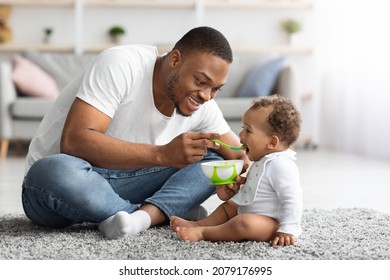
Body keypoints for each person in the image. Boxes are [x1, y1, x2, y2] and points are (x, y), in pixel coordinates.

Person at [21, 26, 248, 240]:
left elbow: (240, 155)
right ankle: (157, 213)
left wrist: (237, 181)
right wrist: (163, 155)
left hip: (128, 184)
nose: (207, 96)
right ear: (175, 59)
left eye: (216, 89)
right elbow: (74, 141)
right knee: (53, 170)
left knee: (214, 159)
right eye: (201, 81)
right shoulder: (122, 64)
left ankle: (137, 218)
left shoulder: (202, 105)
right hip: (64, 188)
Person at [170, 95, 302, 246]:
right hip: (251, 214)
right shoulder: (262, 160)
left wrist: (287, 229)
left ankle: (204, 233)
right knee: (229, 207)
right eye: (242, 129)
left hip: (271, 224)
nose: (240, 135)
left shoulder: (281, 164)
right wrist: (231, 194)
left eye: (248, 130)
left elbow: (293, 198)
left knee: (243, 222)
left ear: (272, 142)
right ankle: (199, 224)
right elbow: (253, 194)